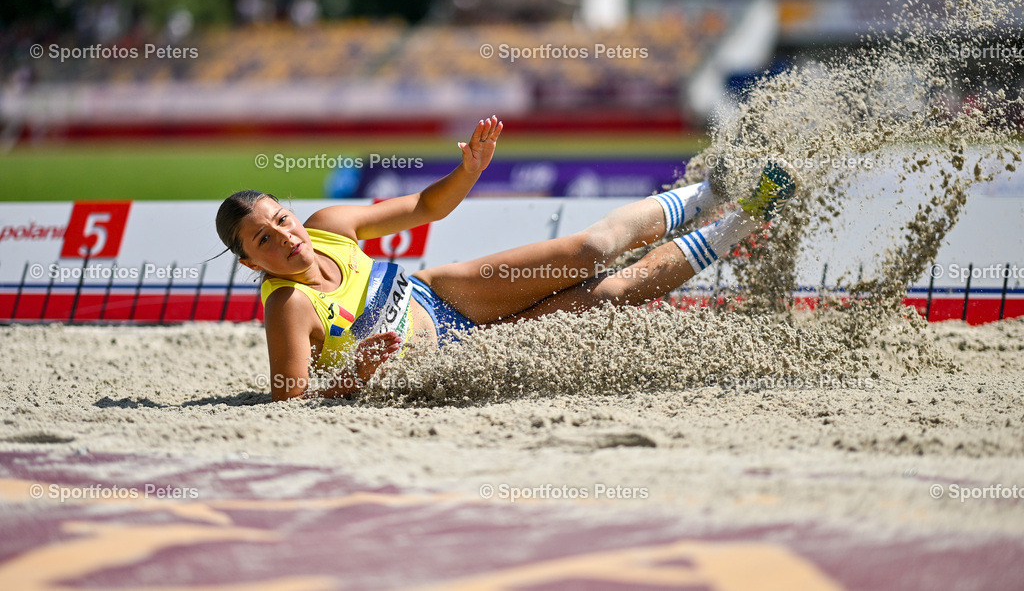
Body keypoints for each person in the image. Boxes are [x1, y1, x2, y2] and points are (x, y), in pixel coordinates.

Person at [216, 116, 796, 401]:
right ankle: (745, 217)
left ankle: (710, 193)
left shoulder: (328, 228)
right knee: (608, 297)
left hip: (442, 295)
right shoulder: (288, 304)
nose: (285, 237)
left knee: (589, 250)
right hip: (453, 357)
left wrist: (468, 171)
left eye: (281, 219)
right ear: (250, 263)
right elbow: (290, 398)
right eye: (263, 240)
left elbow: (423, 205)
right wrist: (355, 373)